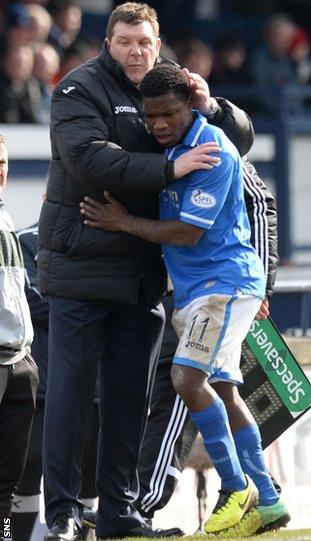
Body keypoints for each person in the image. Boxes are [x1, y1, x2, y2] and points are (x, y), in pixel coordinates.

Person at [79, 63, 289, 537]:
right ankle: (269, 501)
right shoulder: (169, 150)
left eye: (167, 115)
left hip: (223, 285)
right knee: (226, 392)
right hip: (201, 290)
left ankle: (237, 489)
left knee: (185, 378)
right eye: (150, 117)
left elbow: (187, 233)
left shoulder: (212, 151)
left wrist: (121, 222)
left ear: (190, 106)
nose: (157, 126)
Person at [37, 3, 223, 540]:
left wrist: (213, 109)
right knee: (70, 397)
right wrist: (169, 167)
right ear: (108, 43)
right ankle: (63, 515)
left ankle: (119, 513)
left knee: (129, 399)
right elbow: (89, 161)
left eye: (144, 41)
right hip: (81, 265)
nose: (136, 51)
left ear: (158, 41)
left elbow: (231, 144)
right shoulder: (77, 89)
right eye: (124, 41)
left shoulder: (173, 87)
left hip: (142, 270)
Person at [12, 223, 99, 541]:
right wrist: (88, 305)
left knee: (88, 481)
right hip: (42, 385)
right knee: (22, 476)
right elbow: (32, 299)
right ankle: (11, 536)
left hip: (94, 388)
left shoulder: (101, 240)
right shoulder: (26, 240)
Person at [0, 134, 39, 540]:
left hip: (19, 361)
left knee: (10, 479)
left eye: (4, 162)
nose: (1, 171)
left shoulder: (7, 217)